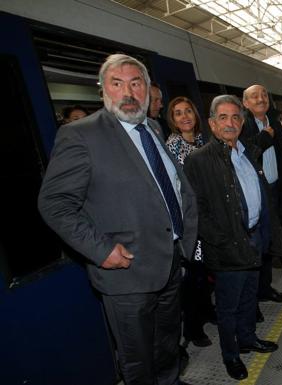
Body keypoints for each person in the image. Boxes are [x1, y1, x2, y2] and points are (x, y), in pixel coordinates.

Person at [38, 54, 198, 385]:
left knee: (168, 342)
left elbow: (170, 187)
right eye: (117, 83)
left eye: (136, 83)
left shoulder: (151, 127)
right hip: (126, 272)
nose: (128, 92)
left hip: (169, 260)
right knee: (137, 358)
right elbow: (54, 203)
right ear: (103, 91)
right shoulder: (80, 134)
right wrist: (100, 250)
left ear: (147, 89)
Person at [183, 95, 278, 381]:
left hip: (253, 239)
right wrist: (222, 241)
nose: (230, 123)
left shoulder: (246, 151)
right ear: (211, 124)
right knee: (228, 306)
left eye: (236, 117)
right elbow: (195, 209)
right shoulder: (198, 160)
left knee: (250, 296)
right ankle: (231, 355)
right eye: (222, 118)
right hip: (226, 248)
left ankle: (248, 338)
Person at [162, 96, 214, 348]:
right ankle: (193, 329)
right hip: (190, 221)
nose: (184, 117)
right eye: (178, 113)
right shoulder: (172, 145)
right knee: (193, 277)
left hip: (208, 217)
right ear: (172, 120)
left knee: (205, 273)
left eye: (188, 112)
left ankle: (207, 311)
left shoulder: (203, 141)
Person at [241, 84, 282, 306]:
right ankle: (255, 294)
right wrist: (263, 138)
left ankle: (265, 288)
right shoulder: (243, 125)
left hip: (276, 189)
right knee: (258, 245)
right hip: (256, 193)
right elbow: (245, 154)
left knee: (270, 241)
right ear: (245, 103)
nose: (261, 99)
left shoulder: (275, 124)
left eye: (264, 95)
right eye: (254, 96)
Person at [166, 96, 206, 164]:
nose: (185, 116)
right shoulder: (173, 146)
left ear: (195, 115)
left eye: (188, 111)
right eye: (178, 114)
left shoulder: (206, 137)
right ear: (174, 121)